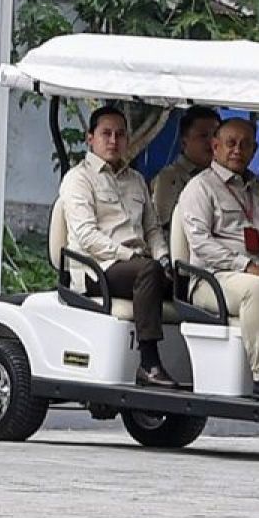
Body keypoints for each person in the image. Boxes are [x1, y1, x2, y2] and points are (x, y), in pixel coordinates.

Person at [175, 118, 259, 401]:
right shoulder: (200, 188)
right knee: (255, 289)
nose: (237, 150)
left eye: (245, 145)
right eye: (230, 143)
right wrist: (245, 266)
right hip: (213, 281)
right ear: (215, 146)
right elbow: (201, 243)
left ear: (255, 150)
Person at [60, 106, 178, 388]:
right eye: (106, 134)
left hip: (137, 266)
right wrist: (132, 255)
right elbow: (87, 236)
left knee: (184, 280)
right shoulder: (79, 179)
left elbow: (152, 229)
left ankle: (194, 365)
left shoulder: (136, 180)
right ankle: (148, 362)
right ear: (90, 138)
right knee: (147, 271)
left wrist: (164, 260)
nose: (113, 140)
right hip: (97, 267)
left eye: (120, 134)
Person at [151, 106, 221, 230]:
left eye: (215, 135)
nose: (211, 142)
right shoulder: (170, 177)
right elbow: (164, 225)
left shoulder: (223, 175)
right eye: (203, 136)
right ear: (184, 142)